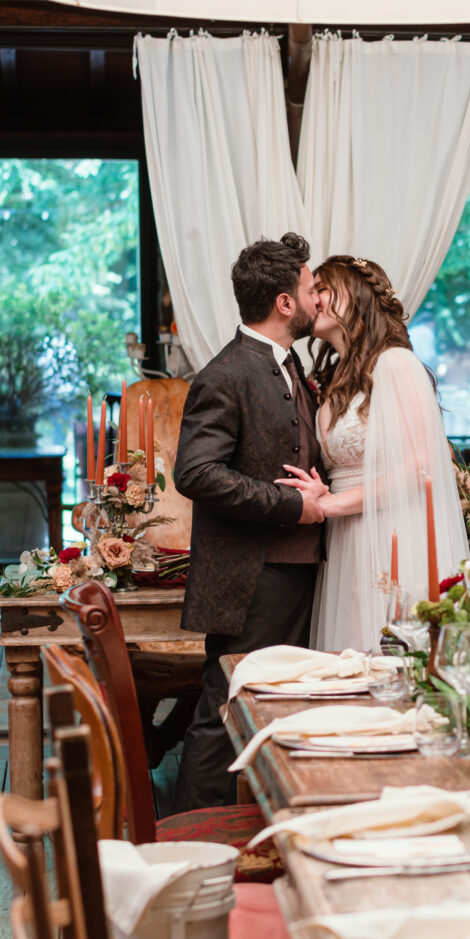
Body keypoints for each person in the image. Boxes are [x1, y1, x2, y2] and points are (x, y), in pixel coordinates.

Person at [172, 232, 326, 811]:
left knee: (274, 709)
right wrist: (293, 505)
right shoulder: (226, 373)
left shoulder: (292, 366)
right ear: (284, 302)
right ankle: (191, 848)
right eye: (311, 288)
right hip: (251, 579)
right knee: (225, 711)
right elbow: (197, 473)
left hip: (297, 572)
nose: (317, 299)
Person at [276, 255, 470, 651]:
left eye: (322, 289)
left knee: (391, 658)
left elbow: (420, 469)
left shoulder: (397, 363)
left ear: (357, 295)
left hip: (392, 531)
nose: (313, 300)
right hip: (346, 539)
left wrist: (330, 505)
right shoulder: (333, 377)